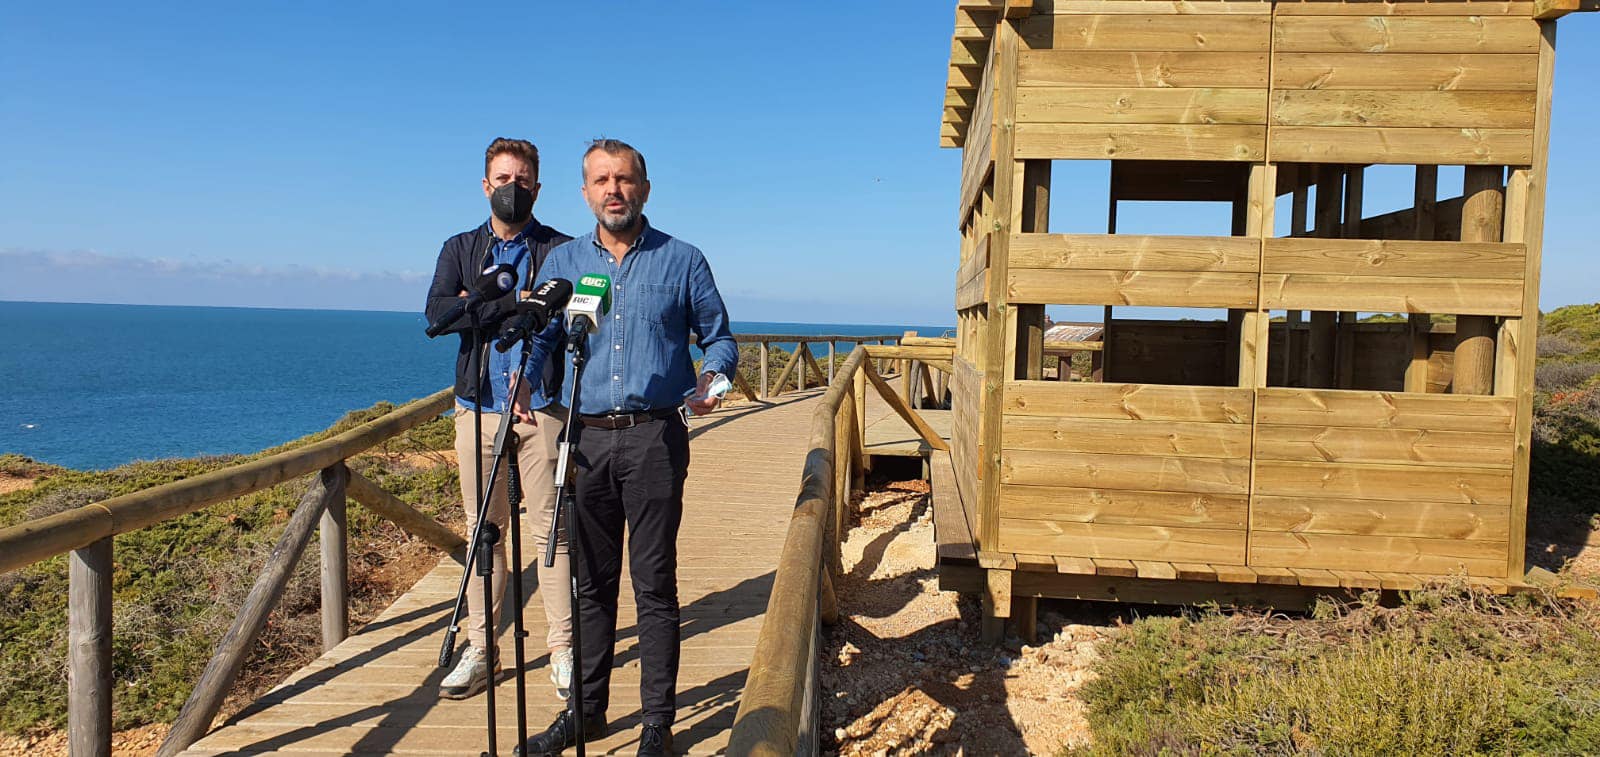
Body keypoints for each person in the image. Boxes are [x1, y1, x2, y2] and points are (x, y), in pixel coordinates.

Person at [517, 139, 737, 757]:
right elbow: (546, 341)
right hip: (582, 440)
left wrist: (711, 384)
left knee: (654, 584)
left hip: (655, 439)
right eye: (601, 180)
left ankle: (657, 727)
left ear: (644, 187)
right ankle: (584, 714)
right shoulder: (562, 260)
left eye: (624, 179)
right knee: (591, 586)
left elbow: (720, 343)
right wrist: (527, 379)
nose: (613, 189)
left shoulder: (683, 260)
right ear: (584, 192)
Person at [423, 137, 576, 701]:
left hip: (542, 409)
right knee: (482, 531)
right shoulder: (459, 246)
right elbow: (439, 314)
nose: (512, 187)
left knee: (551, 528)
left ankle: (562, 648)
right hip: (476, 408)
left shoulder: (561, 248)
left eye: (522, 178)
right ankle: (482, 646)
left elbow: (561, 314)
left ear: (537, 186)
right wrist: (512, 302)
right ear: (485, 185)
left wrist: (477, 305)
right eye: (502, 178)